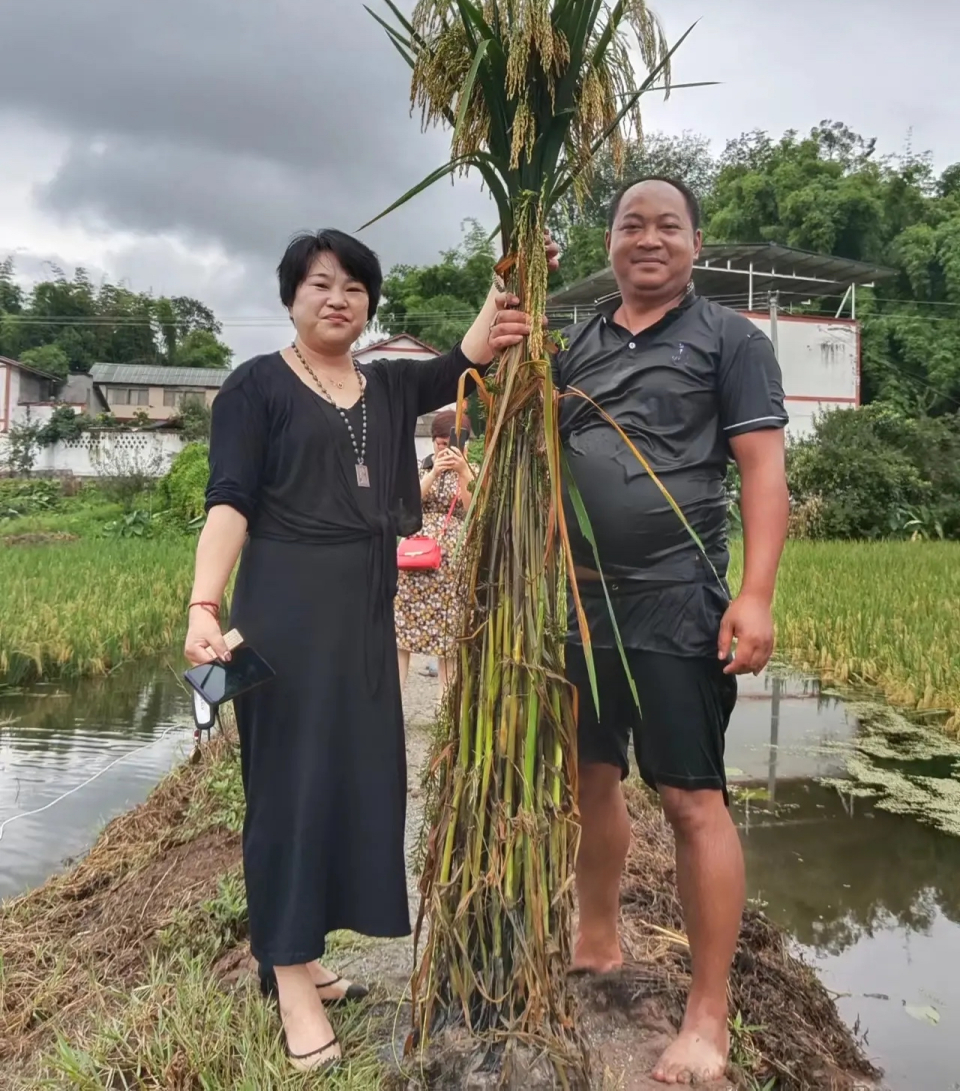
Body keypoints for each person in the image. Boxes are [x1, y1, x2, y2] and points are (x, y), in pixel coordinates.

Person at [183, 227, 556, 1073]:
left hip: (365, 612)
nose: (338, 298)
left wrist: (515, 268)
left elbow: (473, 348)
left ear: (369, 304)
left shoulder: (387, 387)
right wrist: (205, 600)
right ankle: (286, 975)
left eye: (354, 286)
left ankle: (308, 949)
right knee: (287, 786)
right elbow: (230, 503)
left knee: (357, 778)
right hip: (283, 609)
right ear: (291, 296)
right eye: (320, 284)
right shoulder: (255, 389)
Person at [553, 178, 789, 1085]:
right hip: (579, 603)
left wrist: (756, 594)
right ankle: (598, 936)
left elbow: (763, 472)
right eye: (630, 225)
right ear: (609, 241)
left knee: (691, 800)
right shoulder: (579, 342)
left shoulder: (731, 339)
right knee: (590, 775)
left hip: (675, 599)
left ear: (696, 243)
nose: (648, 239)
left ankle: (707, 1016)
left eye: (668, 226)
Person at [395, 408, 475, 691]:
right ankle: (394, 704)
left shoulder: (470, 471)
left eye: (451, 443)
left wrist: (463, 470)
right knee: (402, 632)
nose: (445, 449)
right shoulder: (422, 467)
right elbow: (408, 504)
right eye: (440, 443)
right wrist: (434, 472)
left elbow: (473, 509)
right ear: (433, 442)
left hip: (451, 563)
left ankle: (446, 709)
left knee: (448, 637)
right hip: (414, 559)